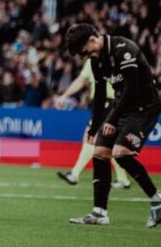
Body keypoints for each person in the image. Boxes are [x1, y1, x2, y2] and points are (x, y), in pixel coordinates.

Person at [64, 24, 161, 227]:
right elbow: (100, 95)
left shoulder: (124, 49)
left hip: (143, 107)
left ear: (93, 40)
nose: (86, 56)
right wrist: (95, 127)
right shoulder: (97, 60)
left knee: (121, 153)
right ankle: (99, 213)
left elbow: (131, 88)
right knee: (100, 151)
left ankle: (158, 200)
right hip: (122, 105)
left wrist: (112, 120)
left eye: (85, 51)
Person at [54, 58, 132, 189]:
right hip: (103, 103)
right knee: (107, 143)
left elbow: (80, 81)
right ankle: (123, 179)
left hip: (108, 103)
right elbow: (81, 80)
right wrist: (65, 95)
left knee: (91, 137)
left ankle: (74, 174)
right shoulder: (97, 60)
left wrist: (64, 95)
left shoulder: (106, 60)